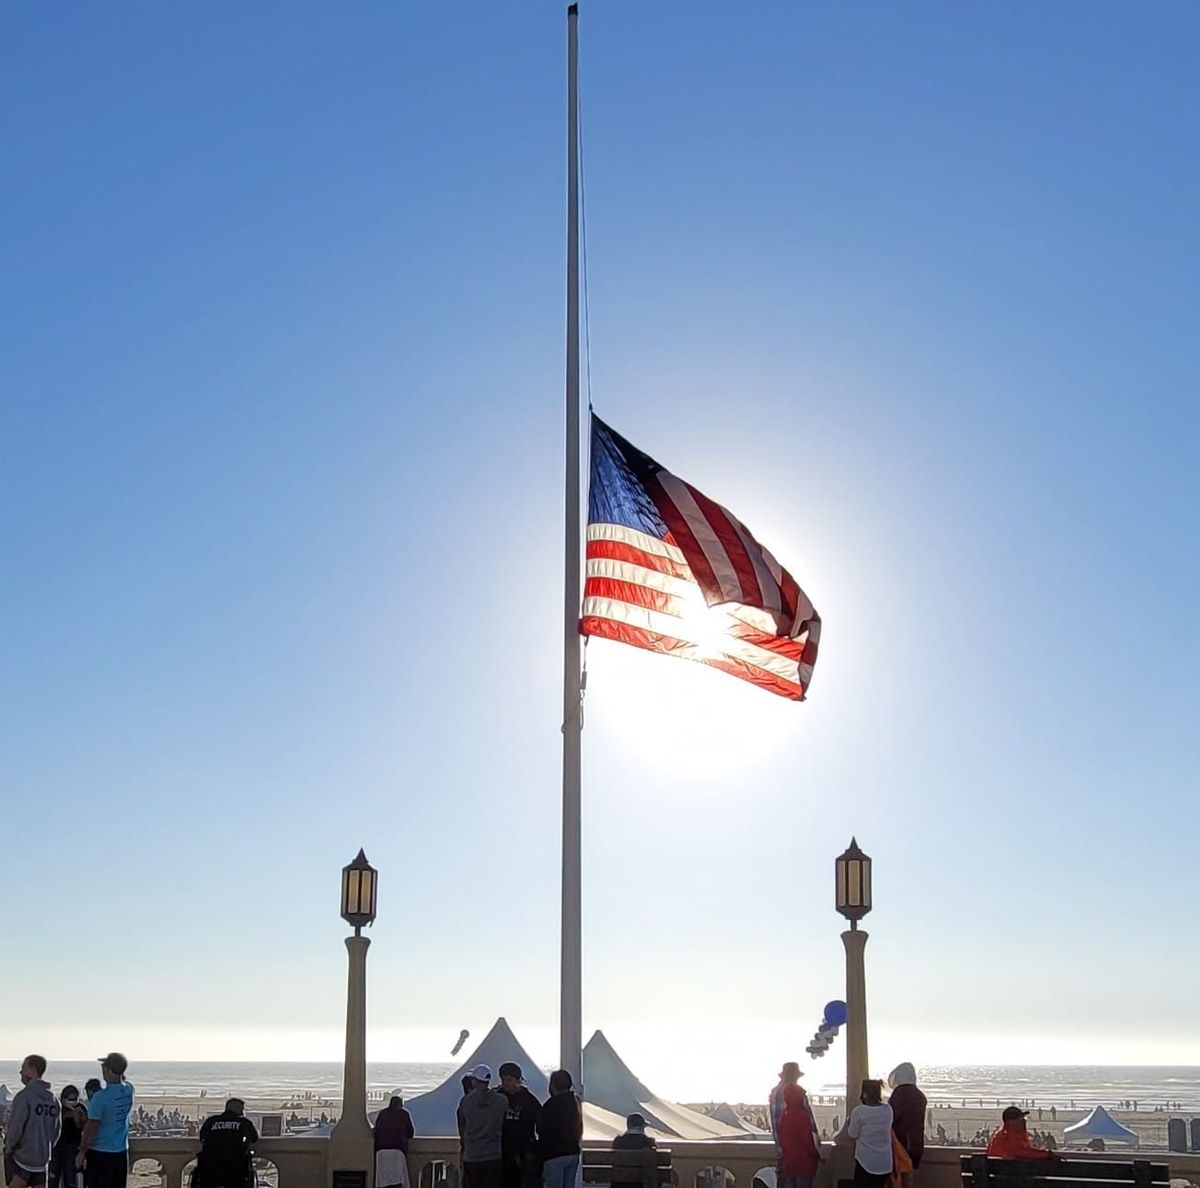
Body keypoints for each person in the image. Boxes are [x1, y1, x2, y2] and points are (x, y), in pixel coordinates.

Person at [77, 1053, 134, 1188]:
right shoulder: (128, 1089)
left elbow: (91, 1128)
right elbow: (122, 1079)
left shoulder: (100, 1098)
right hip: (121, 1151)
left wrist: (82, 1152)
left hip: (100, 1153)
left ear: (108, 1070)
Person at [5, 1056, 62, 1188]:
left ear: (32, 1069)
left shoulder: (24, 1097)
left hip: (22, 1160)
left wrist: (9, 1148)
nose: (20, 1072)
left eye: (23, 1068)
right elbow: (56, 1133)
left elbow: (15, 1129)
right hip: (42, 1162)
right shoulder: (54, 1101)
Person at [457, 1066, 506, 1188]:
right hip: (494, 1155)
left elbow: (462, 1125)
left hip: (472, 1156)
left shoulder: (466, 1102)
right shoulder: (501, 1100)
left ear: (474, 1081)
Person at [840, 1080, 893, 1188]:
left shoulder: (859, 1111)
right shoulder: (888, 1109)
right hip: (885, 1162)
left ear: (864, 1094)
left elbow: (853, 1134)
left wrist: (850, 1122)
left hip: (866, 1161)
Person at [196, 1099, 258, 1188]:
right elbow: (254, 1138)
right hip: (236, 1170)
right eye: (241, 1109)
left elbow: (202, 1138)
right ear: (237, 1109)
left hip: (210, 1169)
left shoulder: (211, 1121)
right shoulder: (243, 1122)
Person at [498, 1064, 540, 1188]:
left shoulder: (529, 1100)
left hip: (522, 1152)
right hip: (501, 1151)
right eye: (503, 1079)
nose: (505, 1083)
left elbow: (541, 1123)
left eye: (509, 1080)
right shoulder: (497, 1097)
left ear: (518, 1080)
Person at [538, 1071, 582, 1188]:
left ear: (553, 1085)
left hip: (554, 1154)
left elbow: (541, 1129)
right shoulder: (575, 1101)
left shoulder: (550, 1105)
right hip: (573, 1152)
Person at [887, 1064, 926, 1185]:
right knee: (909, 1179)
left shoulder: (899, 1093)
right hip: (916, 1144)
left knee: (898, 1181)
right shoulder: (919, 1095)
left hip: (901, 1144)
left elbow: (891, 1118)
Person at [777, 1085, 820, 1188]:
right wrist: (815, 1154)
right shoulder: (801, 1115)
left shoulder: (784, 1115)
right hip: (803, 1164)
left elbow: (782, 1140)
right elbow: (807, 1140)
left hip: (789, 1164)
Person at [374, 1096, 415, 1188]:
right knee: (397, 1181)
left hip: (381, 1152)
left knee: (383, 1182)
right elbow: (411, 1133)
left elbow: (376, 1131)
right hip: (397, 1152)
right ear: (400, 1105)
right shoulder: (404, 1114)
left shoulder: (383, 1114)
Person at [50, 1087, 86, 1188]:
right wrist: (70, 1114)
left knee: (71, 1177)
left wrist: (80, 1119)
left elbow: (84, 1127)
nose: (73, 1102)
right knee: (53, 1177)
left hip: (73, 1146)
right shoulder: (58, 1106)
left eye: (75, 1099)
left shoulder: (80, 1107)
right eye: (70, 1100)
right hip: (57, 1145)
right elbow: (54, 1120)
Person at [986, 1108, 1054, 1160]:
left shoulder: (998, 1135)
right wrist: (1047, 1154)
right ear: (1012, 1122)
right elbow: (1023, 1153)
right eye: (1021, 1119)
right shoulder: (1011, 1136)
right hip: (1011, 1175)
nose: (1024, 1121)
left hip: (998, 1174)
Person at [769, 1064, 803, 1149]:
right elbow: (806, 1120)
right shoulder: (796, 1092)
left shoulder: (774, 1092)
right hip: (797, 1145)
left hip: (780, 1144)